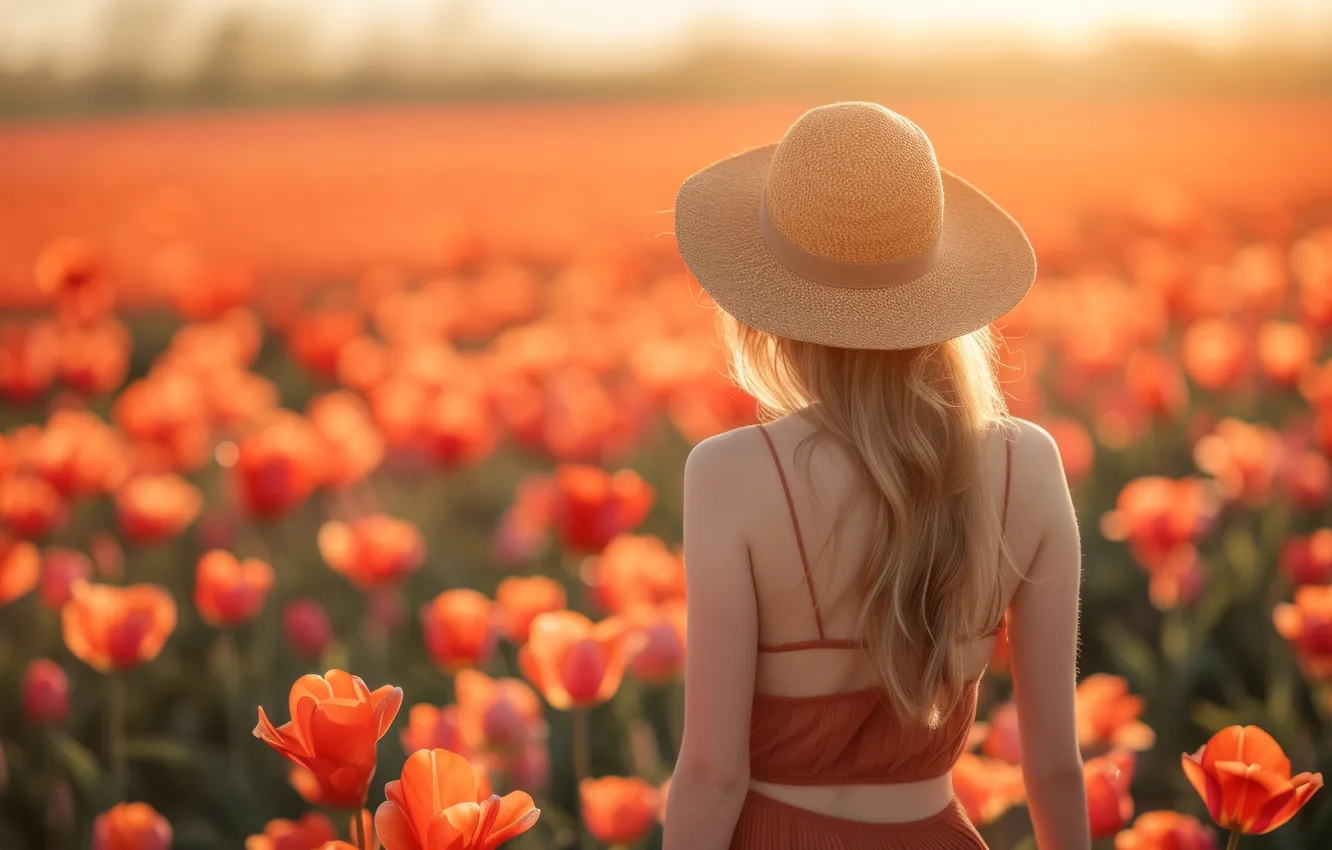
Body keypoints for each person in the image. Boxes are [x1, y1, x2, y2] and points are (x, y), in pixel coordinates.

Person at [661, 102, 1089, 849]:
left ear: (764, 307)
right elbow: (1053, 768)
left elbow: (713, 774)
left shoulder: (729, 474)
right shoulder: (1029, 465)